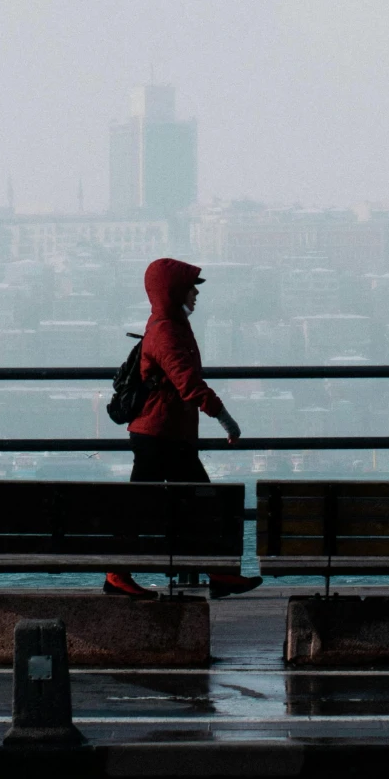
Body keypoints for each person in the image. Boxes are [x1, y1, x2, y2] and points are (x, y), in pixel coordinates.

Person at [105, 256, 261, 598]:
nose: (196, 294)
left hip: (160, 434)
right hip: (162, 435)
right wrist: (225, 419)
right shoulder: (166, 331)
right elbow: (188, 383)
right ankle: (215, 574)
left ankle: (121, 574)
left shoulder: (168, 324)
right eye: (191, 288)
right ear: (174, 291)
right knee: (193, 503)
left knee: (154, 503)